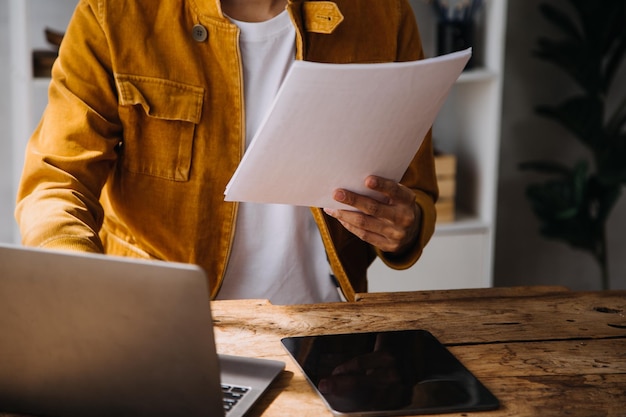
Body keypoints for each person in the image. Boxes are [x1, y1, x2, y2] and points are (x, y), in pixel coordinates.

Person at [15, 0, 438, 304]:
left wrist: (406, 226)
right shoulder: (113, 14)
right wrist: (76, 282)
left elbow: (415, 190)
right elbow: (56, 180)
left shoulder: (385, 14)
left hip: (331, 328)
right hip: (164, 325)